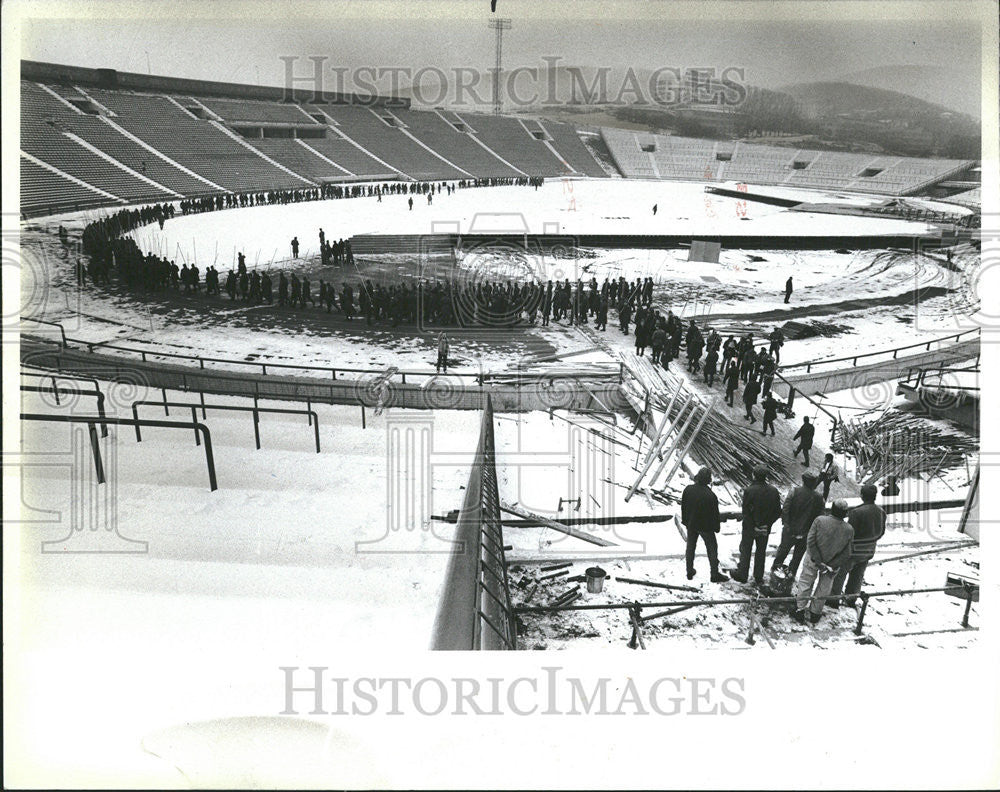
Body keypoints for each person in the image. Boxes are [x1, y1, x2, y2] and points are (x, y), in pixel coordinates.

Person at [793, 499, 853, 624]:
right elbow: (847, 552)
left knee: (806, 582)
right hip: (831, 565)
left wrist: (818, 560)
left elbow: (810, 541)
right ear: (845, 513)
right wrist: (832, 564)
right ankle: (815, 613)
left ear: (832, 509)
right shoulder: (848, 529)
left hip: (813, 559)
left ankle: (800, 609)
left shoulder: (819, 520)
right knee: (824, 587)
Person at [829, 484, 886, 608]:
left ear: (862, 496)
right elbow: (881, 532)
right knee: (858, 575)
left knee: (841, 574)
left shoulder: (856, 512)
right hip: (869, 550)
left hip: (853, 551)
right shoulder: (881, 511)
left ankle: (833, 599)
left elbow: (850, 533)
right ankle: (851, 599)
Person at [733, 465, 782, 585]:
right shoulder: (773, 491)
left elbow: (746, 512)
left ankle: (742, 574)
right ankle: (758, 576)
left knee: (746, 549)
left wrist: (753, 526)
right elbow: (777, 512)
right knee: (761, 551)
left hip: (750, 527)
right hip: (765, 528)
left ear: (754, 476)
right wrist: (767, 524)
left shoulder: (749, 491)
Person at [680, 468, 729, 583]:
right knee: (712, 549)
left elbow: (684, 507)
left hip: (691, 524)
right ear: (708, 480)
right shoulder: (710, 495)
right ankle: (714, 574)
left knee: (690, 547)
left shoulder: (688, 489)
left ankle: (689, 571)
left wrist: (685, 521)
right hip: (705, 527)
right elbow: (715, 515)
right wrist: (716, 528)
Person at [772, 471, 824, 578]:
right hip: (806, 533)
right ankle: (790, 576)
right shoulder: (819, 498)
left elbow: (785, 509)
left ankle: (775, 572)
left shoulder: (794, 491)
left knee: (782, 551)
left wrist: (786, 524)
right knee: (797, 557)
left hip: (790, 530)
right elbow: (820, 517)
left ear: (803, 480)